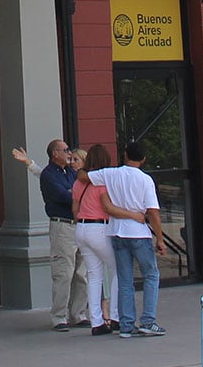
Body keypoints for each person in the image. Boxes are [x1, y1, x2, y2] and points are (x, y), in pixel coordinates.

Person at [12, 140, 89, 330]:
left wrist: (75, 192)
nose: (69, 153)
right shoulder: (49, 174)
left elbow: (80, 190)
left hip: (79, 225)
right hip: (62, 226)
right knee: (64, 272)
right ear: (55, 153)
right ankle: (59, 316)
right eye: (65, 150)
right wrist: (75, 193)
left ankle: (78, 314)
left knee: (82, 273)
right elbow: (65, 196)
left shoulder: (71, 172)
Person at [93, 140, 167, 338]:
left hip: (116, 230)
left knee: (125, 280)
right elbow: (152, 212)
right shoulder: (145, 180)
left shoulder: (111, 174)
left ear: (125, 155)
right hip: (139, 232)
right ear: (143, 159)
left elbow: (85, 176)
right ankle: (148, 321)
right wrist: (159, 239)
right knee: (151, 275)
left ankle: (126, 325)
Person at [72, 144, 136, 336]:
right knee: (118, 268)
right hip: (99, 228)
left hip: (81, 229)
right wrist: (132, 215)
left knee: (94, 274)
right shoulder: (103, 182)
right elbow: (108, 207)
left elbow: (74, 210)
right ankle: (115, 316)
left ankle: (97, 322)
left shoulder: (78, 183)